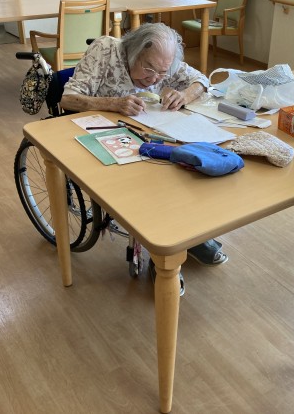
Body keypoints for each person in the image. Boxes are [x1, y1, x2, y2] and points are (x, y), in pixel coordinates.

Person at [61, 23, 228, 270]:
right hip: (102, 135)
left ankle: (183, 237)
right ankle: (165, 255)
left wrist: (184, 96)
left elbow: (201, 81)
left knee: (185, 169)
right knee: (152, 182)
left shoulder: (165, 62)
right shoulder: (105, 50)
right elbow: (68, 99)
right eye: (148, 68)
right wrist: (114, 103)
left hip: (146, 134)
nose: (153, 79)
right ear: (133, 51)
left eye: (162, 73)